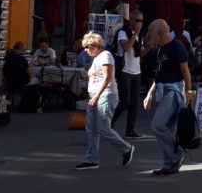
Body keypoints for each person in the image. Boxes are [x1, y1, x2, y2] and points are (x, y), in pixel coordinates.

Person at [75, 32, 135, 171]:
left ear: (96, 45)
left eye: (88, 47)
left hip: (105, 95)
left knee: (103, 128)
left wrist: (97, 96)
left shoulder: (106, 55)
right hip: (94, 95)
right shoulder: (96, 58)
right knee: (91, 129)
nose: (85, 50)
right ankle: (91, 159)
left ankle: (126, 148)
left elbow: (107, 77)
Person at [143, 19, 195, 176]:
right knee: (168, 127)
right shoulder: (161, 49)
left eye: (151, 32)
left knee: (158, 126)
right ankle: (169, 164)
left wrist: (189, 91)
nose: (149, 35)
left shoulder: (177, 46)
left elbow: (185, 70)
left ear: (159, 32)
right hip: (162, 90)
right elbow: (158, 75)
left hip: (173, 91)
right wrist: (149, 94)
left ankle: (177, 154)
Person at [111, 10, 145, 138]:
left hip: (136, 71)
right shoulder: (123, 32)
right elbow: (126, 47)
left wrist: (148, 47)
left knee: (135, 102)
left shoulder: (139, 35)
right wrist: (135, 34)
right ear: (131, 20)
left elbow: (140, 53)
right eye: (137, 21)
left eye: (141, 21)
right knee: (125, 100)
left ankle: (130, 130)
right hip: (124, 70)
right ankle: (109, 123)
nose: (139, 24)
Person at [3, 41, 31, 109]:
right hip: (20, 81)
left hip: (9, 79)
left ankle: (8, 101)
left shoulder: (7, 57)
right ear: (21, 49)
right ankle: (25, 103)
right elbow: (29, 73)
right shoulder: (22, 59)